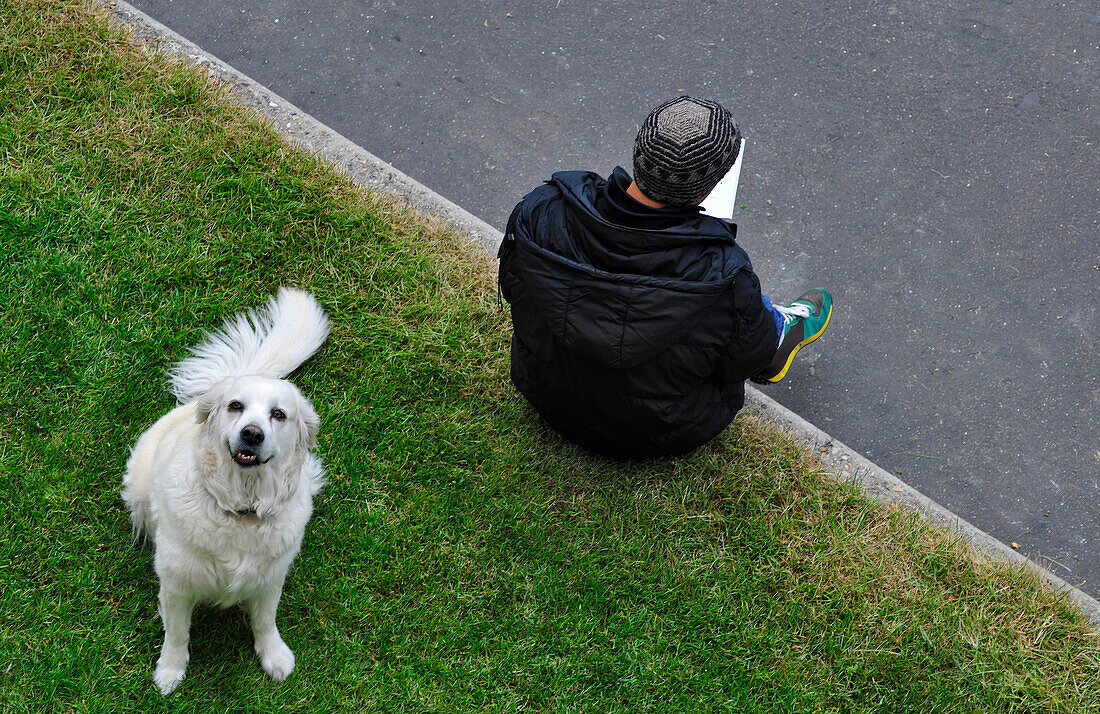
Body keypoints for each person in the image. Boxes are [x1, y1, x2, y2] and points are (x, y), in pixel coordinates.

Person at [497, 96, 832, 459]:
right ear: (710, 188)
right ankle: (780, 329)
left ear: (638, 151)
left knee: (731, 297)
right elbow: (746, 362)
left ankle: (767, 321)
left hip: (546, 393)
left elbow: (514, 289)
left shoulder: (542, 209)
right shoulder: (722, 272)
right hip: (655, 432)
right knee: (739, 302)